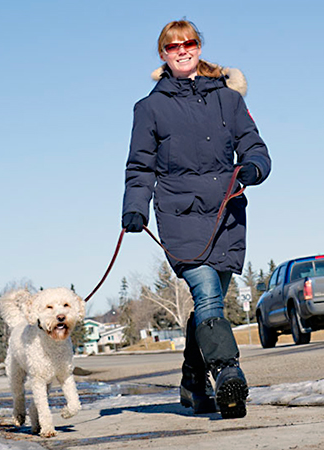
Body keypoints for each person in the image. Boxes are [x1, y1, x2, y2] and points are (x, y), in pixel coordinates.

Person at [121, 20, 271, 419]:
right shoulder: (150, 108)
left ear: (199, 47)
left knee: (212, 303)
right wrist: (134, 206)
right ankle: (228, 374)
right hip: (180, 212)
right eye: (172, 47)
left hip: (225, 212)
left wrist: (254, 167)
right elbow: (139, 167)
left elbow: (253, 144)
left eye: (189, 43)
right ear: (162, 55)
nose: (182, 50)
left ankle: (192, 383)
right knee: (207, 294)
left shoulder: (228, 100)